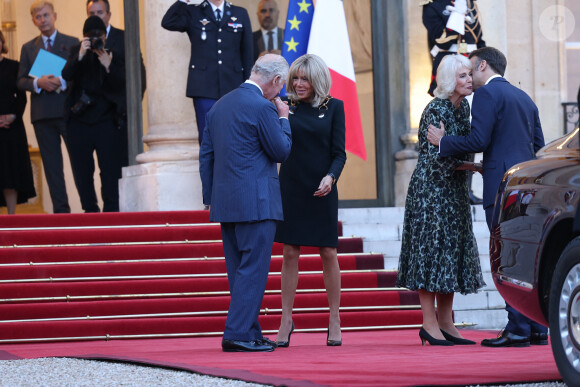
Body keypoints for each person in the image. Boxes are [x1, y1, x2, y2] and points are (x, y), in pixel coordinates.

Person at [427, 46, 547, 347]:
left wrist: (444, 141)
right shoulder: (524, 97)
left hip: (501, 188)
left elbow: (479, 139)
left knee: (504, 258)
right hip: (527, 187)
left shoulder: (486, 95)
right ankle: (536, 328)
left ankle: (517, 329)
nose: (469, 76)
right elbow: (538, 145)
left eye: (470, 68)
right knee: (524, 257)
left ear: (482, 66)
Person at [199, 54, 292, 352]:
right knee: (253, 271)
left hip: (226, 203)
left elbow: (206, 156)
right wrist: (283, 118)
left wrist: (209, 198)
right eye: (282, 86)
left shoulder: (218, 106)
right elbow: (281, 151)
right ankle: (237, 333)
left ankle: (250, 331)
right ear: (276, 80)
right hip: (258, 202)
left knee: (239, 271)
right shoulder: (264, 106)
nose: (281, 93)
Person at [397, 54, 485, 346]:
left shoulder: (464, 108)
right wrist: (470, 164)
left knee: (450, 255)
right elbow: (437, 160)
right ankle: (428, 324)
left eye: (469, 74)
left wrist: (454, 150)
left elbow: (457, 148)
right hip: (431, 194)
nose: (469, 79)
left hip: (455, 193)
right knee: (431, 254)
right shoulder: (436, 108)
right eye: (462, 76)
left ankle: (447, 323)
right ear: (449, 80)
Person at [274, 54, 346, 347]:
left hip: (322, 187)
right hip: (291, 186)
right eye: (296, 78)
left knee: (328, 252)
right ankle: (286, 319)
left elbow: (339, 152)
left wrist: (331, 176)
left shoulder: (334, 107)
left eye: (305, 78)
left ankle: (334, 318)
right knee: (290, 252)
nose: (299, 84)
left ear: (317, 80)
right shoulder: (284, 106)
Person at [162, 0, 253, 146]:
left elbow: (247, 54)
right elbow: (168, 22)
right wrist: (182, 1)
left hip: (234, 86)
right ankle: (208, 169)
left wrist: (249, 88)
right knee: (207, 138)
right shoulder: (193, 12)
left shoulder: (240, 13)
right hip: (204, 87)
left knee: (235, 136)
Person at [17, 1, 79, 213]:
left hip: (68, 112)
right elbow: (20, 80)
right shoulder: (28, 48)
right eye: (38, 17)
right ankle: (62, 213)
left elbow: (79, 75)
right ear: (34, 21)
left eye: (46, 15)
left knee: (79, 162)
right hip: (42, 115)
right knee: (53, 168)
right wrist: (38, 83)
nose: (43, 20)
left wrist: (61, 81)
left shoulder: (72, 43)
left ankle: (88, 207)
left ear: (55, 16)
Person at [422, 0, 486, 205]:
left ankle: (467, 188)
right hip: (449, 70)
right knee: (447, 128)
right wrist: (456, 15)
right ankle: (451, 183)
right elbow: (439, 39)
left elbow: (479, 38)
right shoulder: (432, 7)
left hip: (468, 71)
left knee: (469, 131)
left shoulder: (468, 3)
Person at [61, 16, 126, 213]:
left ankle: (111, 216)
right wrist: (80, 54)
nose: (96, 40)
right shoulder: (76, 52)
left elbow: (121, 86)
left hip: (106, 121)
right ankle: (90, 214)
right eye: (91, 37)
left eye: (99, 36)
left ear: (105, 37)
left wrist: (108, 65)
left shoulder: (114, 55)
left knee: (110, 172)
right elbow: (66, 75)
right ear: (84, 38)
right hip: (79, 123)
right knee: (83, 173)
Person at [86, 0, 147, 167]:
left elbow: (138, 75)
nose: (96, 16)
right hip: (96, 117)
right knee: (105, 170)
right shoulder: (85, 43)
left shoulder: (124, 37)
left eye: (100, 12)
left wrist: (129, 107)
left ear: (109, 15)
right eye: (92, 14)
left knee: (125, 164)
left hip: (120, 116)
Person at [0, 30, 37, 214]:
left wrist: (13, 116)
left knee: (10, 173)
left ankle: (11, 217)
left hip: (12, 127)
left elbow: (22, 96)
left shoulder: (14, 66)